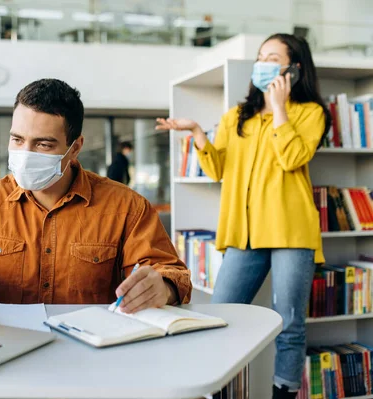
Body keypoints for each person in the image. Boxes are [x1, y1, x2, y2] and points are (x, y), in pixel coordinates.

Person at [156, 34, 331, 399]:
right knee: (220, 313)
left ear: (293, 69)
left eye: (272, 57)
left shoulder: (311, 113)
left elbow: (293, 158)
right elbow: (218, 169)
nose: (262, 63)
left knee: (291, 324)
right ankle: (217, 387)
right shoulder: (238, 116)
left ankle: (283, 391)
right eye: (259, 57)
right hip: (245, 232)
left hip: (291, 231)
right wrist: (197, 133)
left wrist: (279, 107)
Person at [0, 78, 191, 329]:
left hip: (92, 350)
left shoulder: (126, 207)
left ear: (75, 147)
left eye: (43, 144)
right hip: (8, 344)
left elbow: (171, 273)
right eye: (17, 140)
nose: (25, 154)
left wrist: (163, 287)